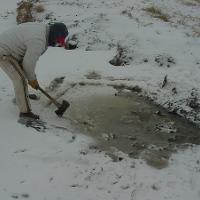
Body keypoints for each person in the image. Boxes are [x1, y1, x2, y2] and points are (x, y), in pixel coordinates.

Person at [0, 22, 69, 120]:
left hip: (12, 49)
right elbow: (28, 64)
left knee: (23, 75)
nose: (56, 42)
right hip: (4, 52)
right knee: (20, 79)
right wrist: (32, 80)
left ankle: (23, 96)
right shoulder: (38, 40)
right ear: (54, 35)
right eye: (57, 40)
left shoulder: (43, 29)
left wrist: (31, 79)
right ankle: (25, 112)